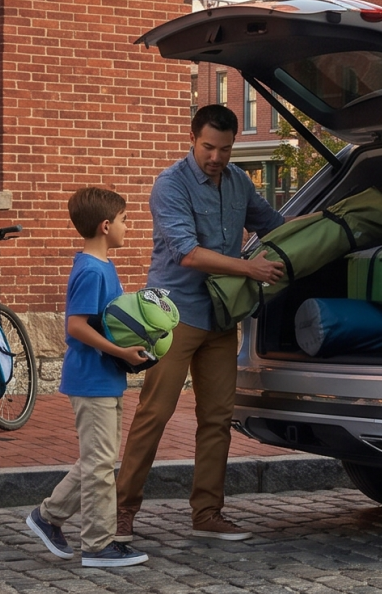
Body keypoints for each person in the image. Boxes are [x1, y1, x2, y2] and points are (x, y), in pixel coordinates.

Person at [116, 104, 285, 541]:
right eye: (209, 147)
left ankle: (207, 514)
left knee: (217, 417)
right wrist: (249, 269)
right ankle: (121, 512)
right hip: (172, 315)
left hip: (221, 316)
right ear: (193, 139)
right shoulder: (170, 185)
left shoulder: (240, 182)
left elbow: (274, 225)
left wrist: (328, 224)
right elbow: (187, 253)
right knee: (155, 413)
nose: (217, 157)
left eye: (226, 149)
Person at [25, 187, 153, 567]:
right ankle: (98, 545)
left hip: (105, 378)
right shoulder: (92, 270)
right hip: (91, 378)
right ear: (105, 225)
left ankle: (47, 518)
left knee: (96, 460)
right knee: (99, 465)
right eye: (125, 220)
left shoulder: (103, 267)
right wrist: (121, 353)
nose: (128, 227)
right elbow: (77, 326)